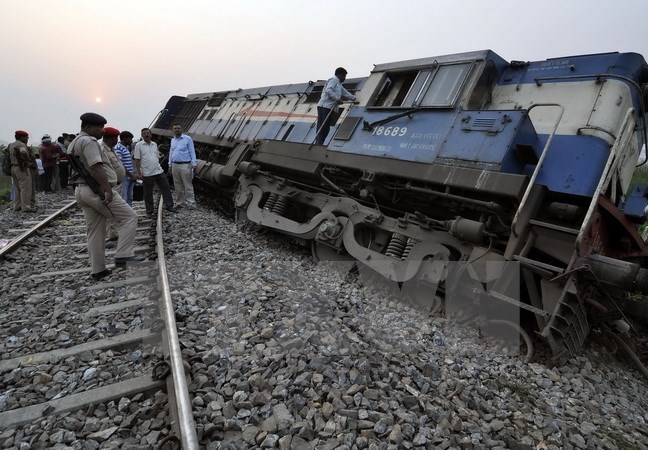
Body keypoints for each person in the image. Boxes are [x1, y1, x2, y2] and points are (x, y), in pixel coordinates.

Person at [69, 112, 141, 281]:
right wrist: (107, 189)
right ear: (88, 127)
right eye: (99, 127)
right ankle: (123, 254)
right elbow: (96, 166)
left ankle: (98, 270)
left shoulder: (74, 142)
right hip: (96, 190)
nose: (102, 130)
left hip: (81, 190)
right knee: (130, 217)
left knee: (95, 231)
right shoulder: (89, 141)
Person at [134, 127, 178, 215]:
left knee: (166, 188)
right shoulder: (138, 145)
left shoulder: (154, 144)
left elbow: (156, 156)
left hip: (158, 171)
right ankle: (149, 210)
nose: (146, 135)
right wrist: (139, 173)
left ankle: (169, 206)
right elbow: (137, 160)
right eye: (144, 133)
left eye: (148, 133)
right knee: (148, 193)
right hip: (147, 173)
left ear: (150, 134)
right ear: (142, 135)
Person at [316, 67, 357, 145]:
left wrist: (354, 98)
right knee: (323, 126)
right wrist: (337, 99)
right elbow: (328, 90)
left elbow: (345, 92)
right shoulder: (333, 80)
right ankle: (318, 143)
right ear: (339, 75)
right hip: (324, 106)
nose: (345, 78)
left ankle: (320, 142)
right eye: (344, 76)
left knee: (327, 127)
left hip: (330, 107)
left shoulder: (339, 84)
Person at [101, 127, 127, 244]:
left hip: (117, 184)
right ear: (109, 138)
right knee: (111, 210)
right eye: (115, 138)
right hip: (111, 185)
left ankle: (114, 233)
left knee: (114, 210)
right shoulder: (102, 150)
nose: (117, 140)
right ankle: (112, 234)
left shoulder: (111, 149)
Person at [7, 130, 37, 212]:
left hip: (13, 167)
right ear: (22, 137)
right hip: (21, 168)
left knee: (17, 188)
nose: (27, 139)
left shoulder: (11, 144)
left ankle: (17, 206)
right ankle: (26, 207)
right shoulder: (21, 144)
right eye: (26, 137)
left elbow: (5, 151)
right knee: (26, 188)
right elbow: (23, 151)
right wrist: (27, 159)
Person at [169, 124, 197, 208]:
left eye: (178, 128)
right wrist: (170, 164)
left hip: (185, 165)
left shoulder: (187, 139)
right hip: (175, 165)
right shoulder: (172, 140)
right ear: (173, 130)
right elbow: (171, 152)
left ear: (182, 129)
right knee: (177, 185)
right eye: (175, 128)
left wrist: (194, 163)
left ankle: (191, 203)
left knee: (187, 185)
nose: (177, 130)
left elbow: (192, 151)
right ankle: (180, 203)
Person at [114, 131, 137, 206]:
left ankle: (130, 213)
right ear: (124, 139)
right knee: (124, 196)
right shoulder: (118, 148)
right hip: (125, 177)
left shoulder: (125, 148)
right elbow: (120, 165)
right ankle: (125, 215)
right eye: (130, 139)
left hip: (129, 176)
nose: (131, 141)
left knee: (130, 196)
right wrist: (131, 175)